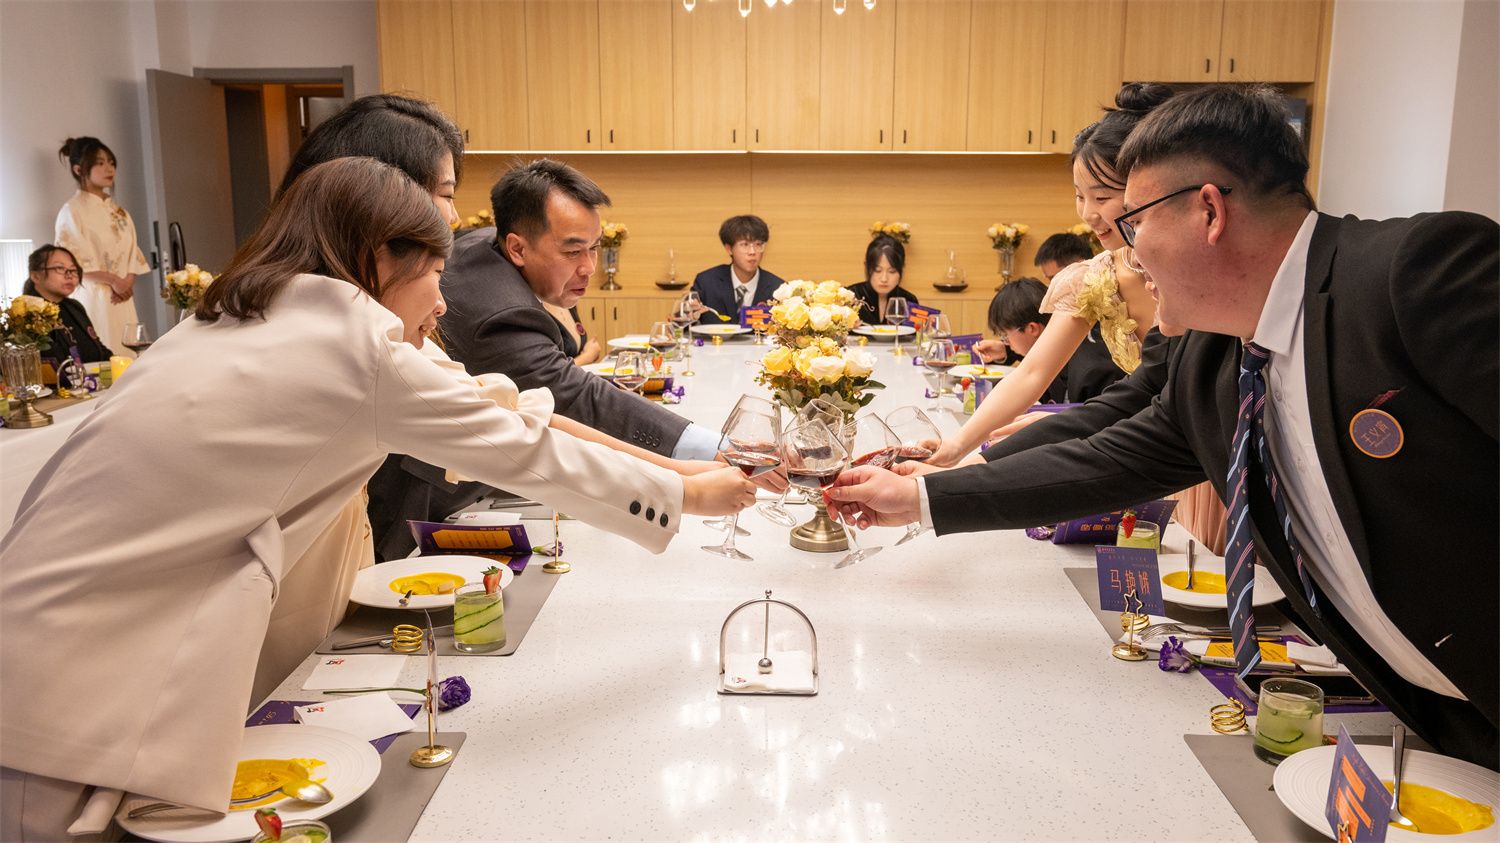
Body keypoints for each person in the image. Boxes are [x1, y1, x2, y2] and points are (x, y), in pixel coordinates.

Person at [0, 158, 757, 840]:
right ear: (378, 259)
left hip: (42, 638)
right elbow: (524, 451)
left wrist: (679, 475)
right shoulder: (353, 345)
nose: (444, 300)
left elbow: (494, 409)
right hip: (78, 687)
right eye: (435, 270)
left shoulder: (238, 316)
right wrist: (688, 497)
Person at [827, 85, 1499, 768]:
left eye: (1135, 223)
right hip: (1440, 719)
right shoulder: (1213, 359)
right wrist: (919, 497)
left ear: (1208, 211)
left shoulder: (1416, 274)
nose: (1126, 250)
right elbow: (1105, 460)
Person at [926, 83, 1173, 468]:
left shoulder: (1191, 277)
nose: (1088, 214)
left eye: (1102, 197)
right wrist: (956, 447)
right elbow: (1032, 374)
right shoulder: (1095, 279)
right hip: (1146, 454)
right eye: (1079, 196)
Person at [440, 159, 730, 461]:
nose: (589, 267)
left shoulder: (487, 241)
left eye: (594, 248)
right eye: (573, 251)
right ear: (518, 249)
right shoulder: (503, 314)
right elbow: (580, 397)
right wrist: (714, 449)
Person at [54, 137, 149, 357]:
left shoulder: (119, 211)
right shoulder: (72, 211)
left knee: (128, 354)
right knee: (103, 354)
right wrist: (114, 281)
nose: (109, 168)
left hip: (122, 297)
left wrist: (127, 281)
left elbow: (132, 253)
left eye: (111, 162)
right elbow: (72, 261)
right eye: (100, 163)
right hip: (94, 297)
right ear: (79, 169)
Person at [985, 277, 1120, 404]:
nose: (1006, 342)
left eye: (1005, 336)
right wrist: (1005, 351)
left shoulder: (1091, 373)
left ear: (1032, 328)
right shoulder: (1061, 347)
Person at [21, 245, 113, 378]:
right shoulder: (25, 313)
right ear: (36, 276)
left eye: (73, 269)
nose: (69, 275)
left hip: (92, 384)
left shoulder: (75, 307)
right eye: (60, 268)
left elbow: (98, 349)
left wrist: (121, 364)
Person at [690, 215, 785, 323]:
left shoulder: (778, 289)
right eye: (745, 244)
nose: (752, 252)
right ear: (729, 249)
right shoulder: (706, 283)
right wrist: (687, 312)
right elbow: (685, 323)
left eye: (758, 244)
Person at [847, 234, 920, 322]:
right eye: (877, 270)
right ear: (867, 267)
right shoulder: (850, 296)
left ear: (901, 269)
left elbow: (915, 329)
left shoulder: (908, 300)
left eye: (892, 271)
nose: (884, 279)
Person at [544, 301, 601, 365]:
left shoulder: (569, 303)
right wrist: (587, 356)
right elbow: (551, 369)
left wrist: (587, 348)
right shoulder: (538, 313)